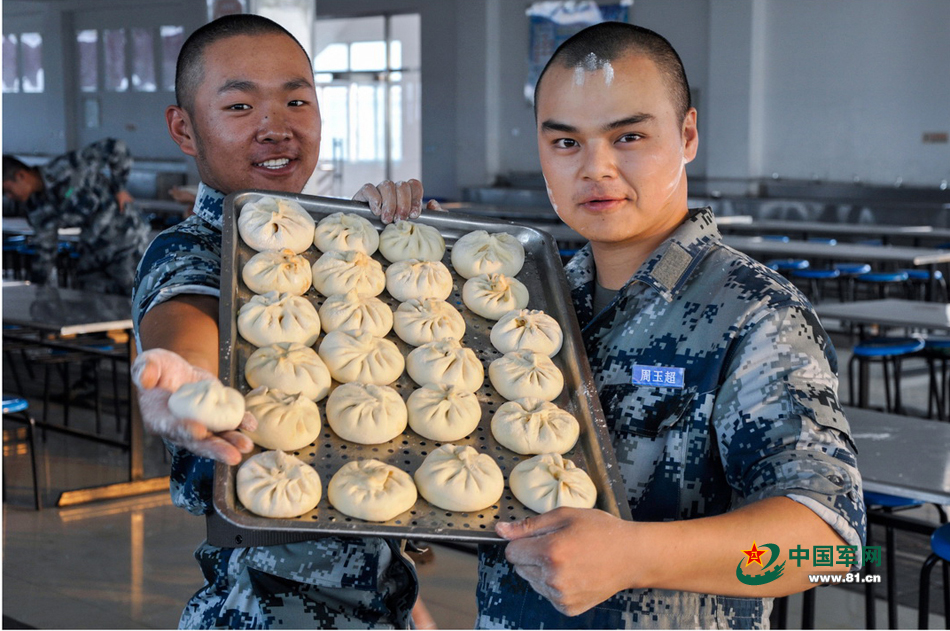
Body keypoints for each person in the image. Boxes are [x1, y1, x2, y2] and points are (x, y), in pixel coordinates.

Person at [475, 22, 866, 629]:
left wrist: (633, 555)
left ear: (686, 135)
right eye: (565, 143)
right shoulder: (531, 301)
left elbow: (829, 548)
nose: (595, 168)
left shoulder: (755, 312)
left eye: (628, 135)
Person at [130, 15, 438, 629]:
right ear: (184, 128)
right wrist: (183, 387)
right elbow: (185, 323)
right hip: (263, 608)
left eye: (297, 100)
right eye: (241, 105)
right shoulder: (193, 249)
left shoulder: (334, 251)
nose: (277, 128)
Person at [2, 140, 150, 295]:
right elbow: (45, 249)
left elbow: (116, 148)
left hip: (126, 240)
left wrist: (120, 187)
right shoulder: (36, 207)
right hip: (94, 248)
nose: (9, 197)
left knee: (135, 295)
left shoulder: (65, 167)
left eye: (8, 190)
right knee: (90, 296)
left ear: (21, 176)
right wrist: (35, 289)